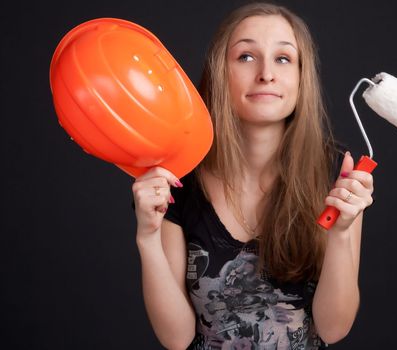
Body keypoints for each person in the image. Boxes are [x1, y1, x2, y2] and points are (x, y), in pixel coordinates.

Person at [132, 2, 374, 349]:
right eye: (246, 56)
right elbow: (176, 338)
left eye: (283, 58)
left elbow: (333, 328)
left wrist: (341, 233)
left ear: (301, 77)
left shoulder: (338, 175)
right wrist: (147, 238)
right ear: (220, 71)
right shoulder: (178, 179)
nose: (266, 74)